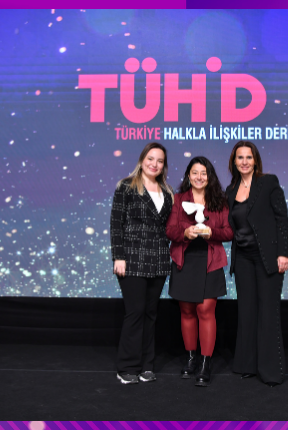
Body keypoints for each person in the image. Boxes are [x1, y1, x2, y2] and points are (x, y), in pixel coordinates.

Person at [225, 140, 288, 387]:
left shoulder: (268, 183)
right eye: (240, 157)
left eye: (249, 157)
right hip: (243, 258)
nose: (244, 161)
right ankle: (247, 365)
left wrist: (283, 253)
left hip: (268, 257)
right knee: (247, 312)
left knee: (268, 312)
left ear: (255, 160)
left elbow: (282, 220)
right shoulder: (230, 190)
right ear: (234, 161)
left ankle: (271, 372)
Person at [110, 142, 174, 385]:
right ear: (142, 160)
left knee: (150, 314)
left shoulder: (167, 191)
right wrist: (118, 256)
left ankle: (147, 366)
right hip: (132, 258)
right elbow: (116, 223)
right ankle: (127, 367)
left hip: (158, 259)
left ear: (163, 165)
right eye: (150, 158)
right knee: (135, 312)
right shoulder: (126, 186)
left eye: (159, 160)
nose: (154, 164)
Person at [166, 156, 233, 387]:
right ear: (188, 175)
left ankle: (206, 363)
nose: (199, 177)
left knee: (206, 310)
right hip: (185, 259)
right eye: (195, 172)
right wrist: (186, 232)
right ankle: (191, 358)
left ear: (209, 176)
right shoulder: (178, 200)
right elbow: (170, 230)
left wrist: (211, 232)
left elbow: (228, 232)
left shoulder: (219, 201)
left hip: (210, 260)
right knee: (187, 311)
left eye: (203, 173)